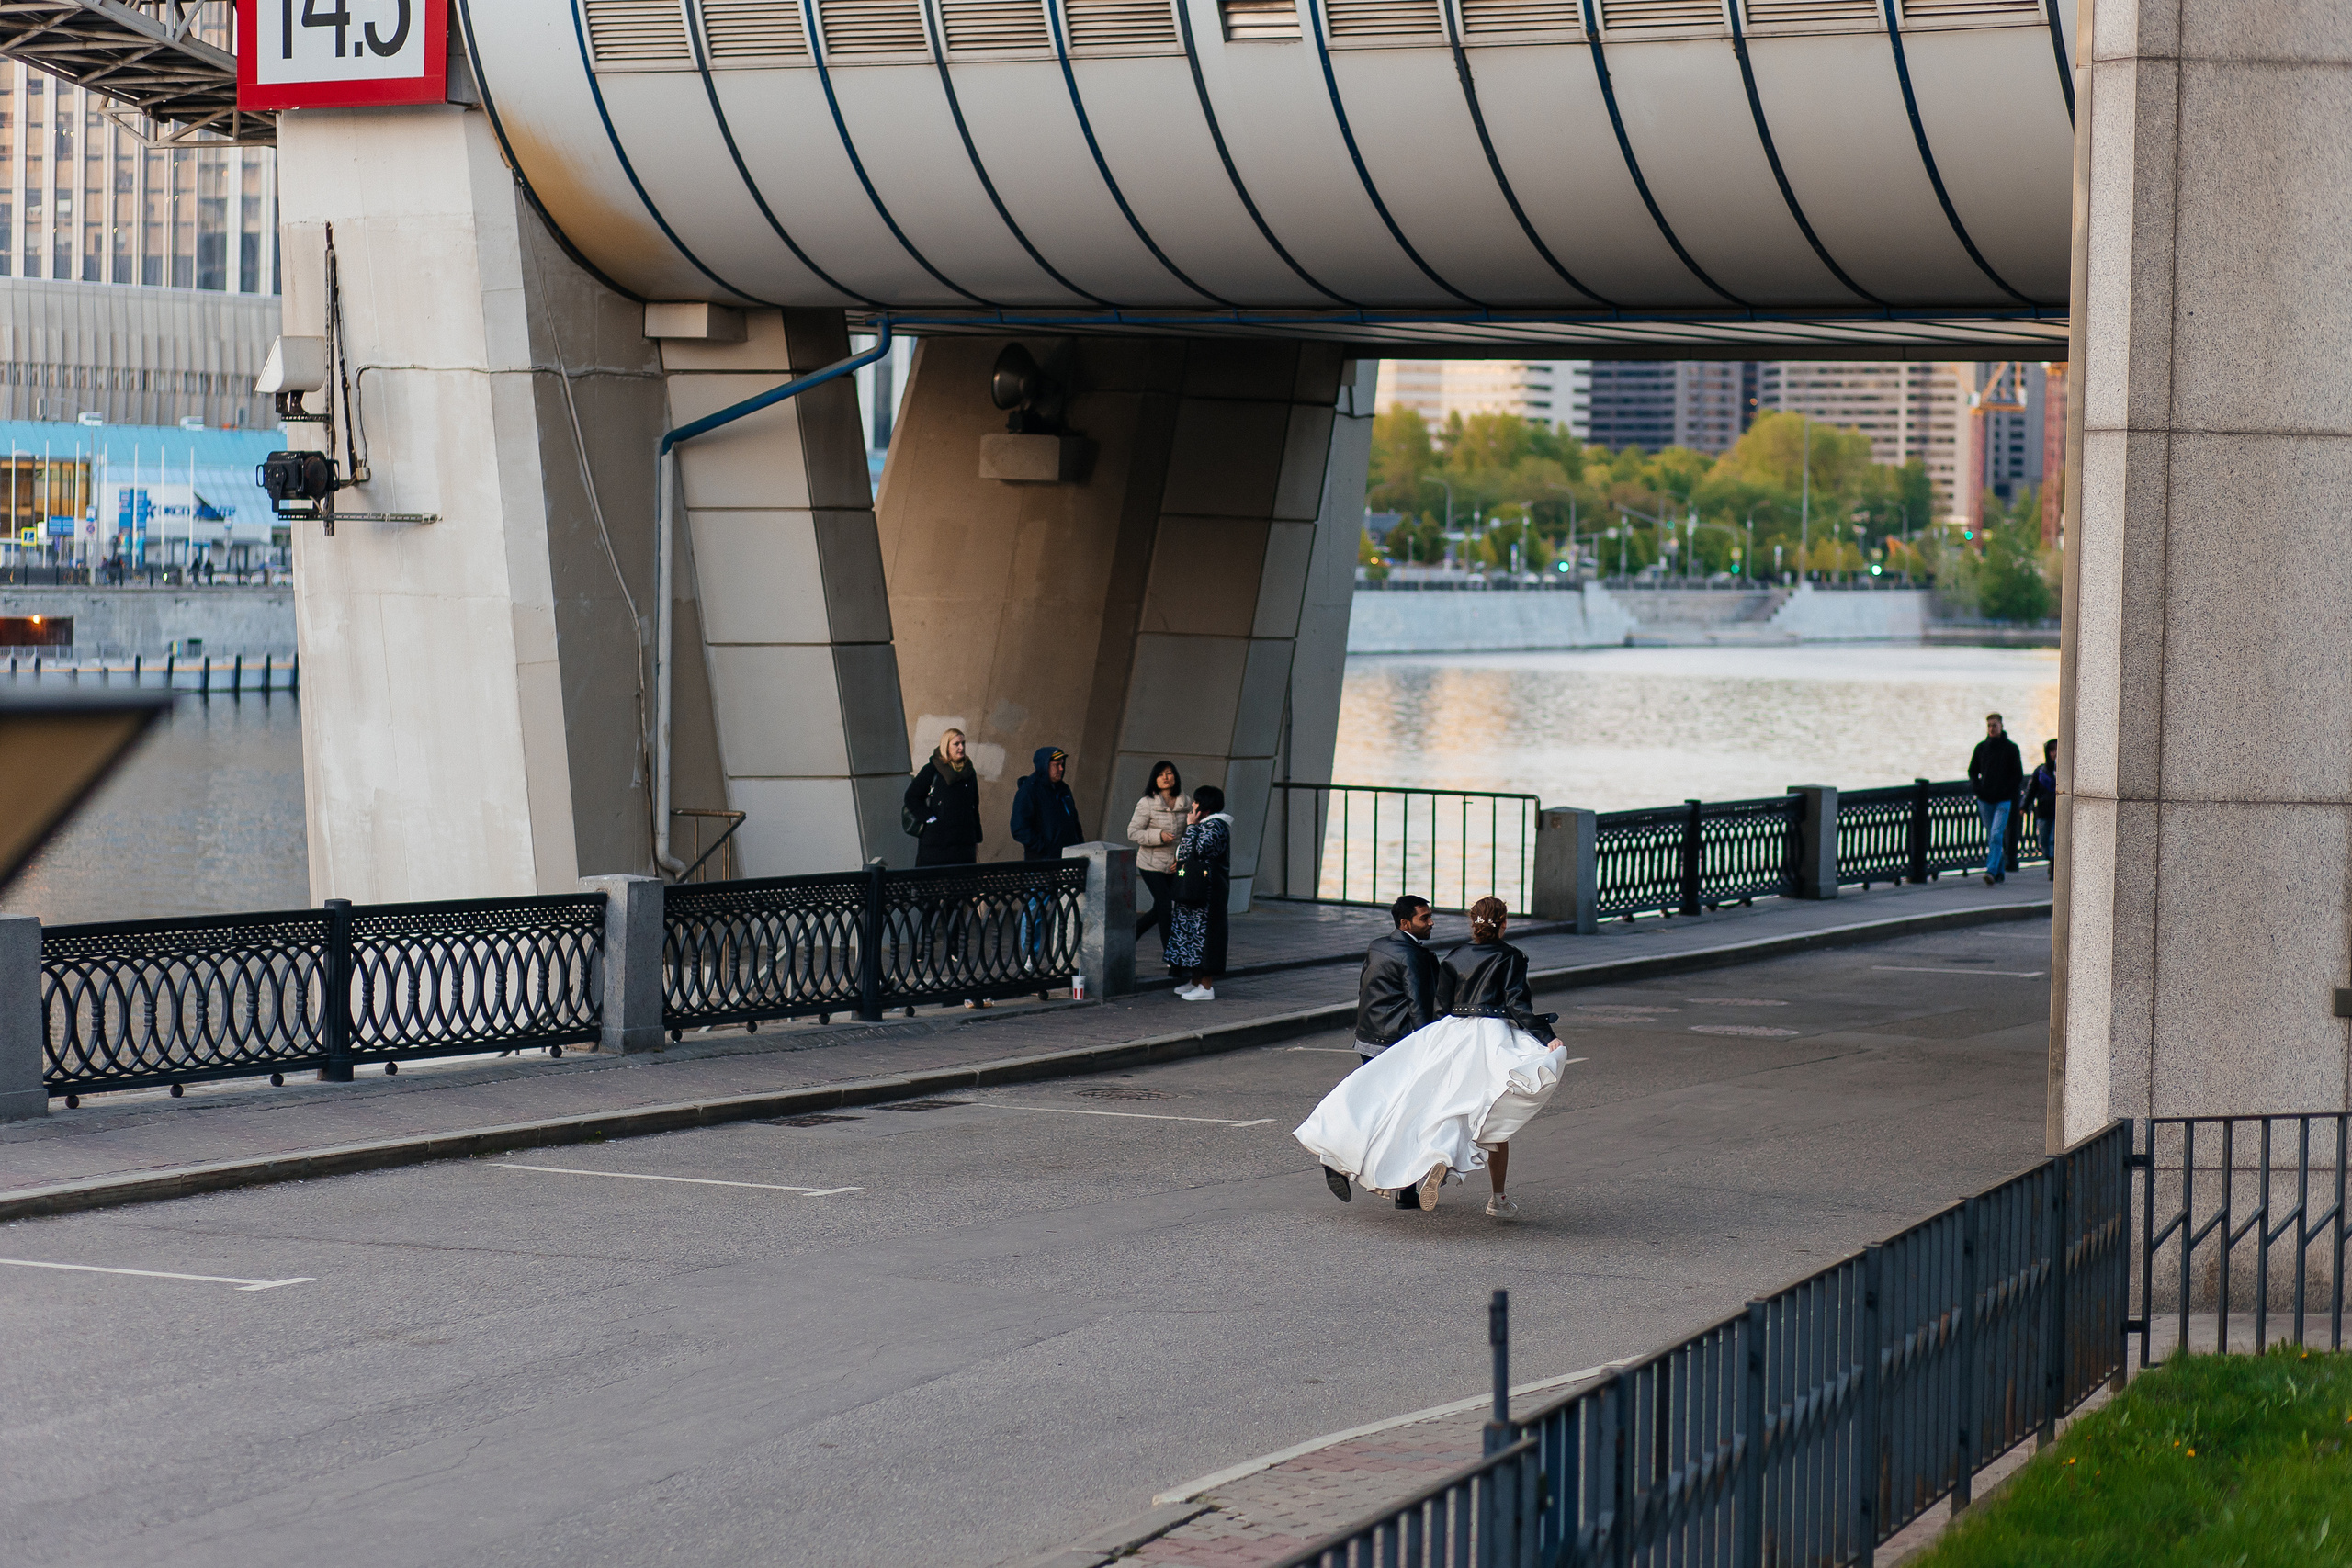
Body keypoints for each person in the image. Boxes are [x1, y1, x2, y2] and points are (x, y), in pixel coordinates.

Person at [1295, 897, 1568, 1221]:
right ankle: (1478, 1185)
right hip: (1484, 1037)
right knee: (1479, 1108)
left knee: (1408, 1104)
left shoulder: (1451, 955)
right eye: (1425, 918)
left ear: (1473, 923)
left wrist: (1433, 1041)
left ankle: (1355, 1152)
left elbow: (1440, 1006)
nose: (1432, 922)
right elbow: (1517, 1004)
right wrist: (1547, 1037)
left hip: (1431, 1033)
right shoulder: (1511, 957)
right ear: (1504, 923)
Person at [1321, 895, 1441, 1209]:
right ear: (1405, 923)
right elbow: (1419, 1006)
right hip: (1398, 1044)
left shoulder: (1378, 945)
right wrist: (1430, 1044)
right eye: (1424, 918)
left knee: (1376, 1108)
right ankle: (1404, 1189)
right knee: (1405, 1115)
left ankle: (1400, 1186)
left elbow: (1365, 988)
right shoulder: (1411, 956)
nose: (1431, 923)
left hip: (1369, 1038)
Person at [1165, 785, 1231, 1001]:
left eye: (1195, 802)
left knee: (1204, 937)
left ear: (1204, 805)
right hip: (1198, 891)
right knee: (1192, 937)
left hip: (1208, 894)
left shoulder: (1216, 827)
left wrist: (1191, 827)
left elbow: (1193, 850)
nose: (1192, 805)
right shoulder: (1208, 826)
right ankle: (1195, 981)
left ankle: (1206, 986)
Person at [1125, 761, 1191, 963]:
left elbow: (1188, 835)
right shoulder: (1147, 803)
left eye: (1169, 773)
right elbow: (1133, 833)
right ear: (1154, 779)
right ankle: (1172, 956)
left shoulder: (1185, 802)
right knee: (1164, 906)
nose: (1165, 777)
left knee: (1164, 906)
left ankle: (1133, 934)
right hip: (1150, 865)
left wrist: (1182, 859)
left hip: (1176, 867)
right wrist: (1159, 835)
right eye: (1160, 774)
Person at [903, 727, 983, 866]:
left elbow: (974, 805)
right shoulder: (932, 769)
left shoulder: (969, 771)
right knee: (934, 885)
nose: (961, 748)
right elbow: (911, 797)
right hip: (937, 845)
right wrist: (930, 819)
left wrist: (976, 838)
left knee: (963, 884)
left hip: (964, 846)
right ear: (946, 746)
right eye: (956, 744)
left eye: (963, 743)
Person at [1968, 712, 2024, 885]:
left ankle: (1991, 871)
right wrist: (1979, 790)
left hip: (2004, 800)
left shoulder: (2011, 748)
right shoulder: (1981, 748)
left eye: (1995, 725)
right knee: (1993, 836)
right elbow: (1972, 771)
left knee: (1996, 834)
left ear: (2001, 726)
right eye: (1989, 725)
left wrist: (2007, 791)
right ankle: (1999, 871)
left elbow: (2018, 775)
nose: (1992, 728)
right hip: (1985, 800)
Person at [1011, 746, 1084, 860]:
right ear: (1044, 766)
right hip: (1043, 861)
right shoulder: (1029, 790)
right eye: (1056, 765)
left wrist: (1079, 846)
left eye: (1062, 765)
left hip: (1068, 859)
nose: (1061, 769)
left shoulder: (1064, 789)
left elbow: (1074, 821)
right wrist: (1043, 847)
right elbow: (1019, 828)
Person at [2025, 739, 2058, 878]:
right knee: (2043, 841)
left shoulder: (2065, 770)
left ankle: (2054, 864)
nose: (2055, 754)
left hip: (2058, 812)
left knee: (2053, 841)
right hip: (2043, 811)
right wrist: (2023, 806)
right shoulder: (2041, 771)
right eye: (2052, 751)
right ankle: (2050, 859)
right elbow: (2031, 791)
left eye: (2057, 750)